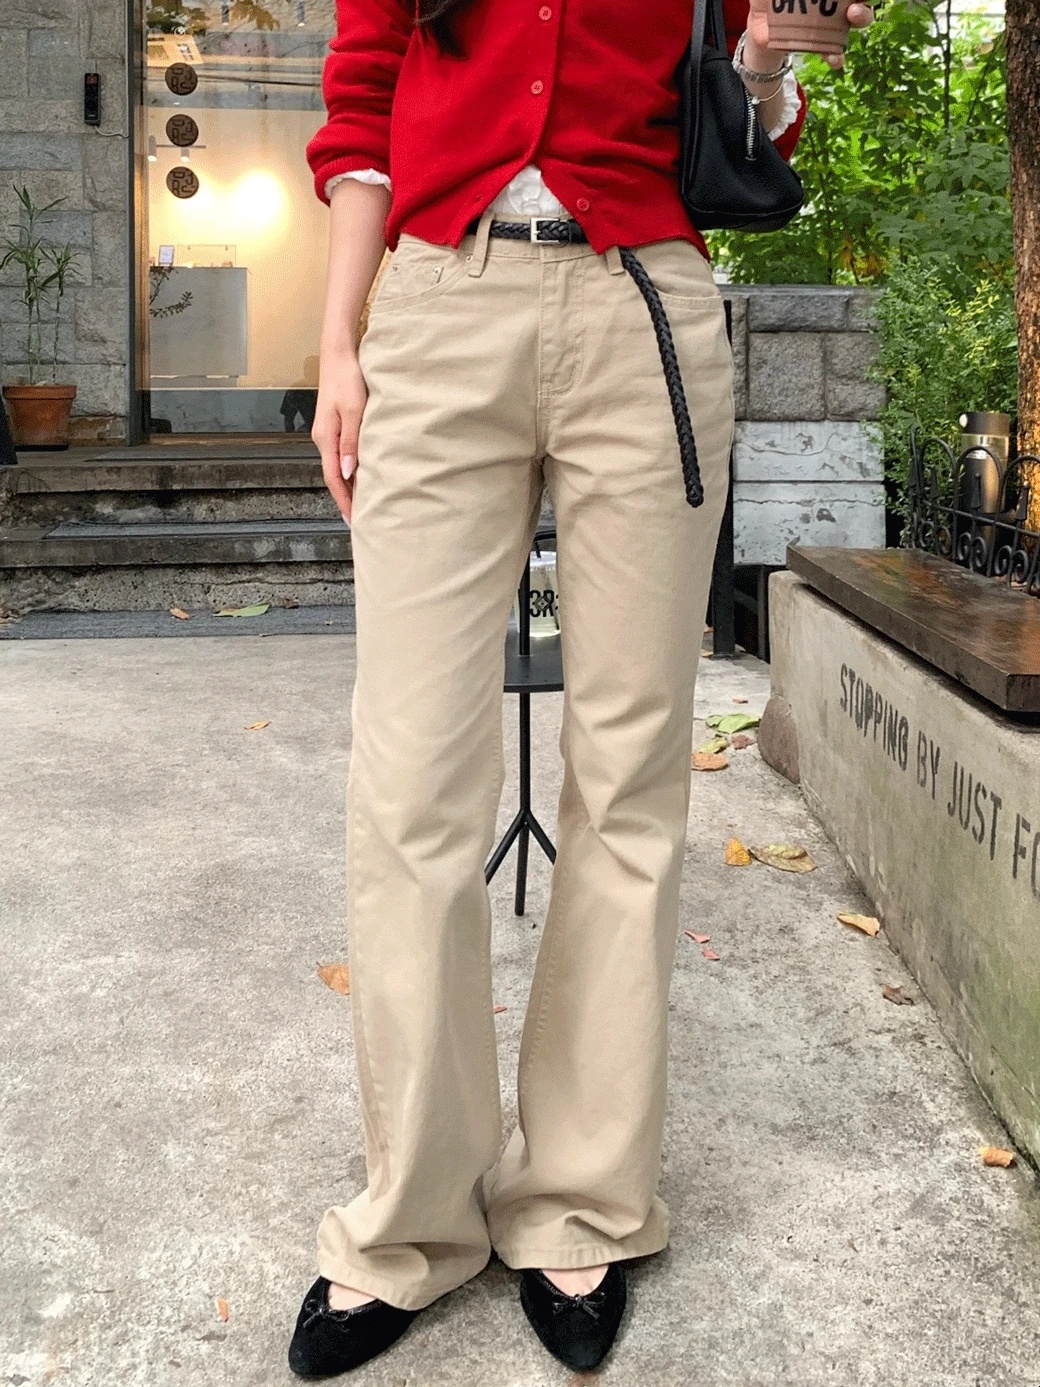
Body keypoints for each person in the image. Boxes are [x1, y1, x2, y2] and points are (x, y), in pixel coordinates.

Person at [289, 0, 874, 1377]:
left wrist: (771, 54)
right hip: (439, 305)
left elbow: (746, 115)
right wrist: (339, 345)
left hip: (644, 315)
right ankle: (411, 1220)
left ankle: (580, 1201)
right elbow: (362, 104)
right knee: (411, 781)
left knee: (628, 774)